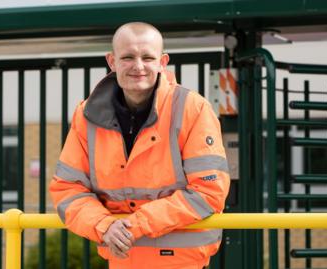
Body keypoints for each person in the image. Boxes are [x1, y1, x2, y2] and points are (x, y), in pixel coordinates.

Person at [49, 22, 230, 269]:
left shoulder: (192, 109)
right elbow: (67, 191)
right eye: (128, 57)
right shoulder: (86, 116)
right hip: (121, 260)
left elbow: (209, 192)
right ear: (112, 61)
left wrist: (132, 226)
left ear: (163, 62)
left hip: (183, 263)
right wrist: (104, 226)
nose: (139, 66)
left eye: (147, 57)